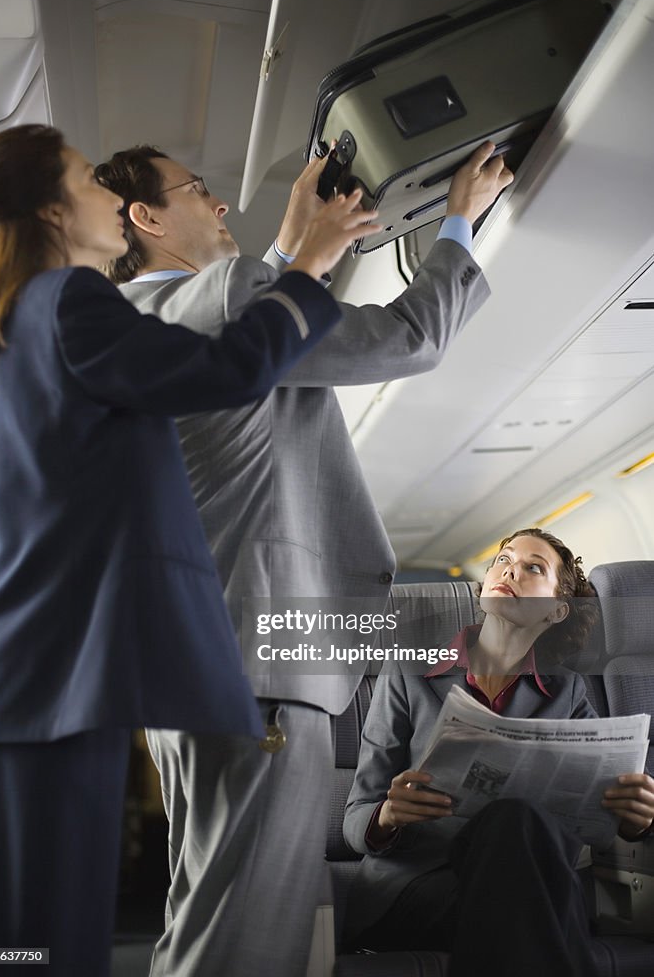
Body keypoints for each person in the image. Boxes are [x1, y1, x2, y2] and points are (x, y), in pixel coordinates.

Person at [94, 139, 513, 977]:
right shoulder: (213, 302)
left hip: (198, 670)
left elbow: (250, 306)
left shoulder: (137, 330)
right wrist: (462, 217)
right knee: (254, 931)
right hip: (262, 671)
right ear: (146, 218)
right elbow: (407, 337)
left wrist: (297, 252)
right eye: (199, 189)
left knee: (211, 907)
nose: (219, 207)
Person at [0, 123, 373, 976]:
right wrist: (304, 263)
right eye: (90, 180)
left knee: (25, 939)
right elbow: (221, 370)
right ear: (50, 208)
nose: (114, 198)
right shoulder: (64, 302)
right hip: (46, 681)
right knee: (34, 943)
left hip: (34, 678)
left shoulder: (5, 335)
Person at [342, 528, 654, 977]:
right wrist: (389, 814)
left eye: (533, 568)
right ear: (484, 583)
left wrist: (637, 819)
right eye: (503, 559)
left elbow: (602, 820)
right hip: (421, 886)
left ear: (556, 610)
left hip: (528, 884)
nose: (510, 569)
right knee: (523, 850)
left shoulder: (567, 692)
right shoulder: (408, 672)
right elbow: (355, 819)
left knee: (519, 834)